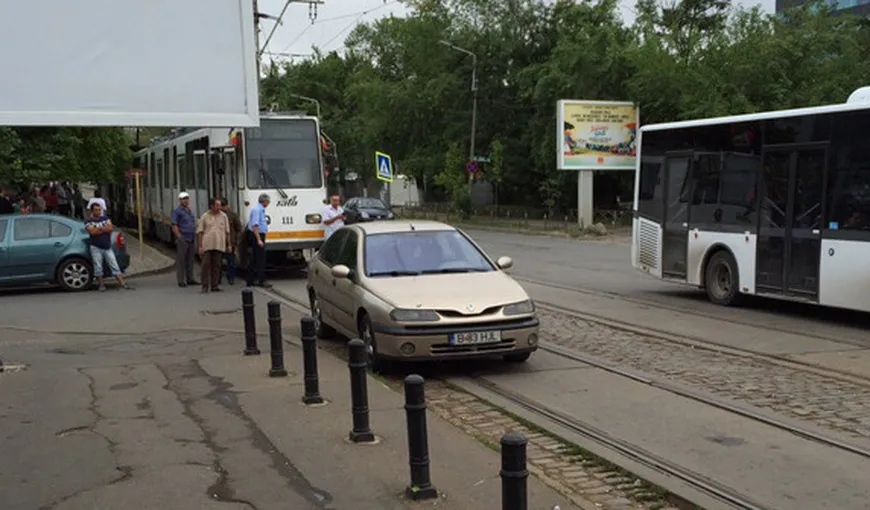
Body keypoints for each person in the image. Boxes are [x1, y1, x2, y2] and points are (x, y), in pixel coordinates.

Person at [84, 202, 131, 292]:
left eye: (99, 210)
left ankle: (122, 284)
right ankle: (101, 285)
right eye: (96, 210)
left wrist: (98, 228)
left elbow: (110, 229)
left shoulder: (105, 218)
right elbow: (92, 232)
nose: (98, 212)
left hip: (107, 247)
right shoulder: (88, 221)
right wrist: (103, 228)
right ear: (92, 211)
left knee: (114, 265)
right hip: (95, 247)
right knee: (98, 267)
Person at [196, 198, 231, 293]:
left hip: (219, 244)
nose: (219, 207)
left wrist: (229, 245)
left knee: (217, 266)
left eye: (220, 205)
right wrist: (199, 246)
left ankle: (215, 285)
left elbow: (227, 232)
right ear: (211, 206)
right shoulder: (204, 217)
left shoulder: (224, 216)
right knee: (205, 265)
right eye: (217, 205)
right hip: (207, 245)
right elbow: (200, 232)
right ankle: (205, 286)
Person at [170, 192, 198, 288]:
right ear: (180, 200)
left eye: (186, 199)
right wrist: (179, 237)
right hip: (183, 238)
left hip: (191, 238)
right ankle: (181, 280)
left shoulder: (189, 211)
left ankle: (190, 278)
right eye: (183, 199)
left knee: (190, 259)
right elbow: (174, 225)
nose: (185, 200)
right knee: (181, 260)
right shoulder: (177, 211)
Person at [245, 193, 271, 289]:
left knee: (255, 258)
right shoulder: (257, 210)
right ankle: (261, 280)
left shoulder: (259, 209)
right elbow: (255, 225)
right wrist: (259, 239)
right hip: (257, 235)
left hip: (257, 235)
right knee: (260, 258)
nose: (268, 203)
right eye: (268, 201)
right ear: (264, 201)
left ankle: (251, 280)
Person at [221, 198, 243, 285]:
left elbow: (239, 228)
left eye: (222, 206)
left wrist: (236, 241)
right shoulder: (218, 215)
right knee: (219, 261)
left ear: (226, 206)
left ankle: (231, 278)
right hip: (220, 241)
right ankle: (218, 278)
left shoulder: (232, 215)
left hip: (230, 242)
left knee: (231, 261)